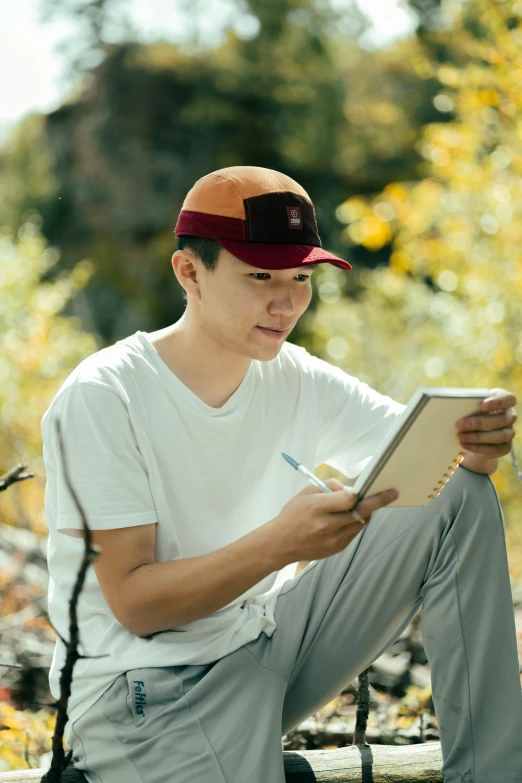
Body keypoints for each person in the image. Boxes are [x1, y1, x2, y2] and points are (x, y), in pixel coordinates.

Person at [41, 166, 521, 783]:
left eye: (301, 278)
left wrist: (478, 445)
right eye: (260, 276)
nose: (287, 301)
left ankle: (495, 774)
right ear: (189, 272)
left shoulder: (297, 375)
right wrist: (278, 546)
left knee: (458, 493)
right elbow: (136, 605)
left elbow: (430, 469)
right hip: (146, 692)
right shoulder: (105, 395)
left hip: (266, 646)